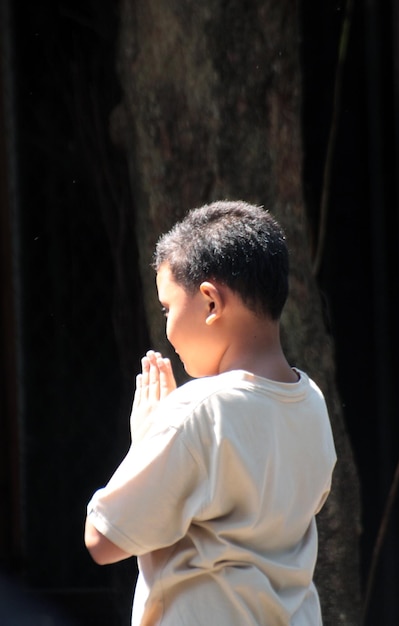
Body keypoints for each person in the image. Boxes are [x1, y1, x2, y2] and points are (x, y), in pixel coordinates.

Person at [84, 200, 337, 626]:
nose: (166, 328)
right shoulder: (311, 403)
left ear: (211, 304)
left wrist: (147, 439)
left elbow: (103, 539)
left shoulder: (197, 409)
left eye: (168, 308)